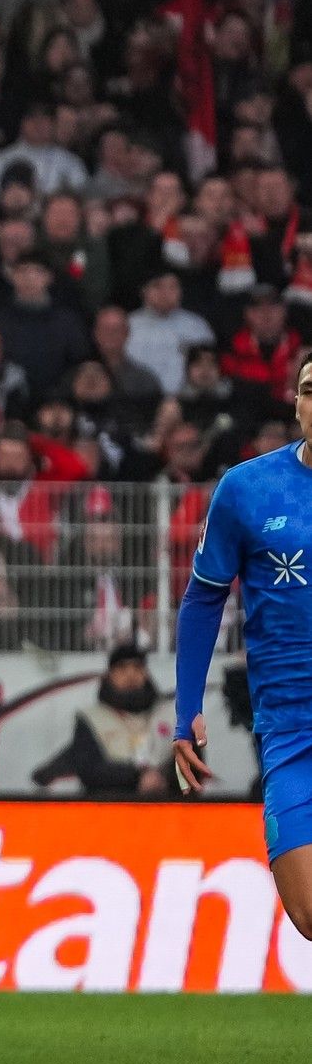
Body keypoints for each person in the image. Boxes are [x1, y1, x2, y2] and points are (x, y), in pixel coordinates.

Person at [175, 356, 312, 941]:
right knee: (307, 914)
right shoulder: (247, 489)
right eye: (310, 389)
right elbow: (203, 600)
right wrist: (186, 710)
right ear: (296, 403)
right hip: (290, 727)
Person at [33, 644, 171, 795]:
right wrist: (138, 777)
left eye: (137, 667)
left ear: (146, 674)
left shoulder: (168, 714)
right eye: (122, 668)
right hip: (108, 804)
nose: (131, 675)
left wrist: (162, 778)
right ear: (110, 675)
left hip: (168, 804)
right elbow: (89, 770)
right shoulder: (91, 718)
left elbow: (185, 763)